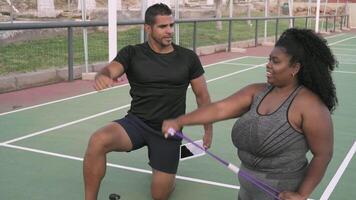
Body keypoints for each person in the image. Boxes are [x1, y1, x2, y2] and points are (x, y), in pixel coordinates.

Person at [162, 28, 337, 200]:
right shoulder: (257, 92)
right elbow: (219, 109)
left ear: (295, 67)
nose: (268, 65)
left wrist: (302, 194)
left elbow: (323, 154)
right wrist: (179, 121)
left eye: (276, 61)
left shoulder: (311, 106)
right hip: (246, 192)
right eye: (269, 59)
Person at [83, 3, 212, 200]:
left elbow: (202, 95)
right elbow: (112, 69)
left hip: (168, 131)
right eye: (163, 27)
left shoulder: (187, 57)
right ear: (147, 28)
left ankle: (167, 173)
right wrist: (104, 74)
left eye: (171, 25)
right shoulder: (132, 53)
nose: (169, 31)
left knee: (159, 195)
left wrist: (208, 129)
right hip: (137, 123)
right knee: (97, 140)